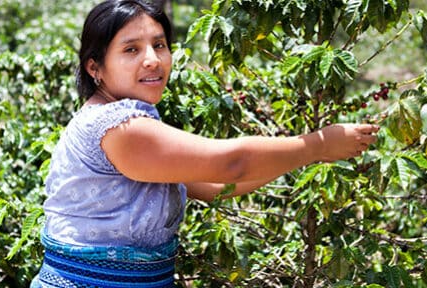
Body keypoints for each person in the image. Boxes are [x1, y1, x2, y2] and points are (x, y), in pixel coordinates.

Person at [30, 0, 380, 287]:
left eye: (160, 45)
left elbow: (216, 185)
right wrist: (317, 145)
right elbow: (231, 164)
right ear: (96, 68)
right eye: (131, 49)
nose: (152, 59)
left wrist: (308, 156)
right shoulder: (118, 127)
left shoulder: (126, 120)